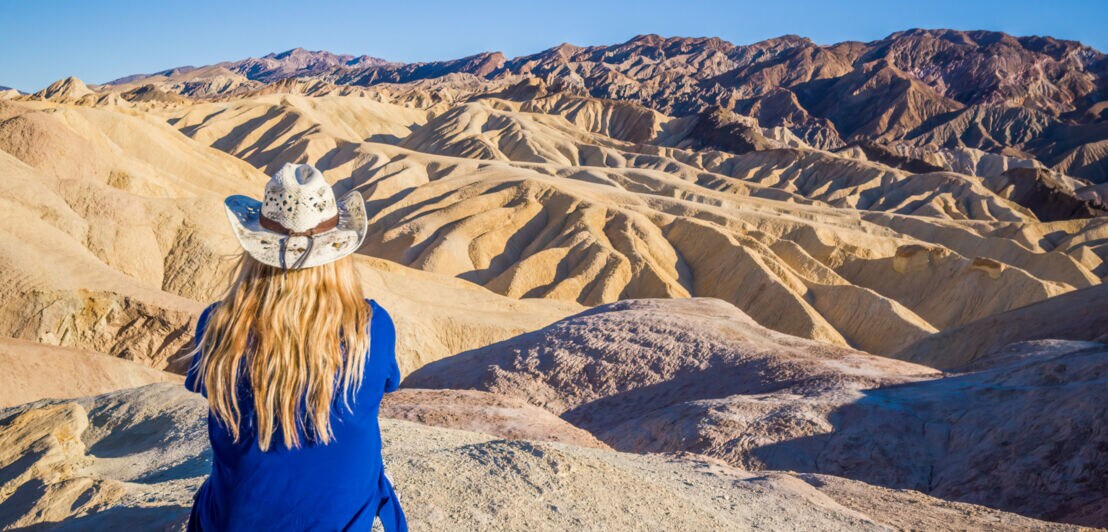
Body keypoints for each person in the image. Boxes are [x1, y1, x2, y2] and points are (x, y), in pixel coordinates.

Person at [182, 162, 407, 531]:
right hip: (341, 521)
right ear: (337, 252)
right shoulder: (371, 328)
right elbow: (386, 384)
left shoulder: (218, 326)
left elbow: (202, 386)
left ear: (255, 250)